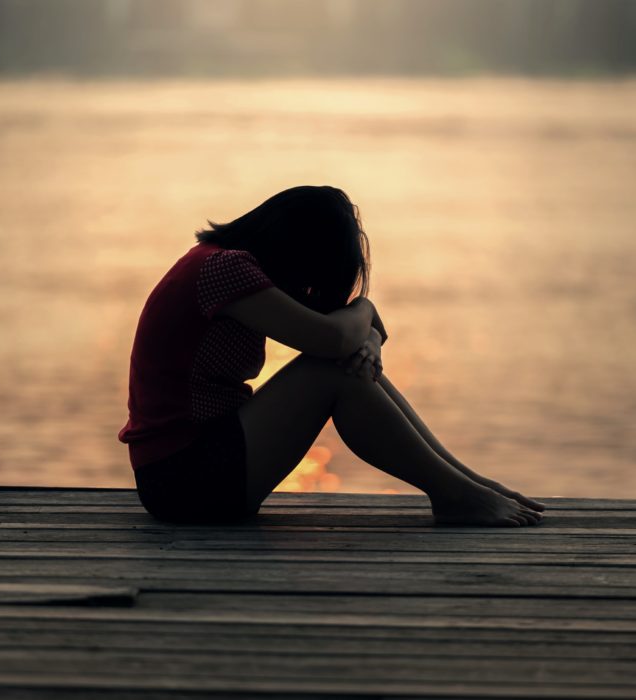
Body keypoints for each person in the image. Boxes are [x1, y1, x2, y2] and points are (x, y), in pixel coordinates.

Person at [119, 185, 545, 526]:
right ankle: (457, 494)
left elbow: (347, 337)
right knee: (329, 371)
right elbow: (333, 338)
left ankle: (466, 484)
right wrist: (366, 309)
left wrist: (370, 339)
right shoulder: (224, 269)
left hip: (196, 471)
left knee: (339, 365)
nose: (307, 288)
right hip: (183, 480)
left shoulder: (221, 266)